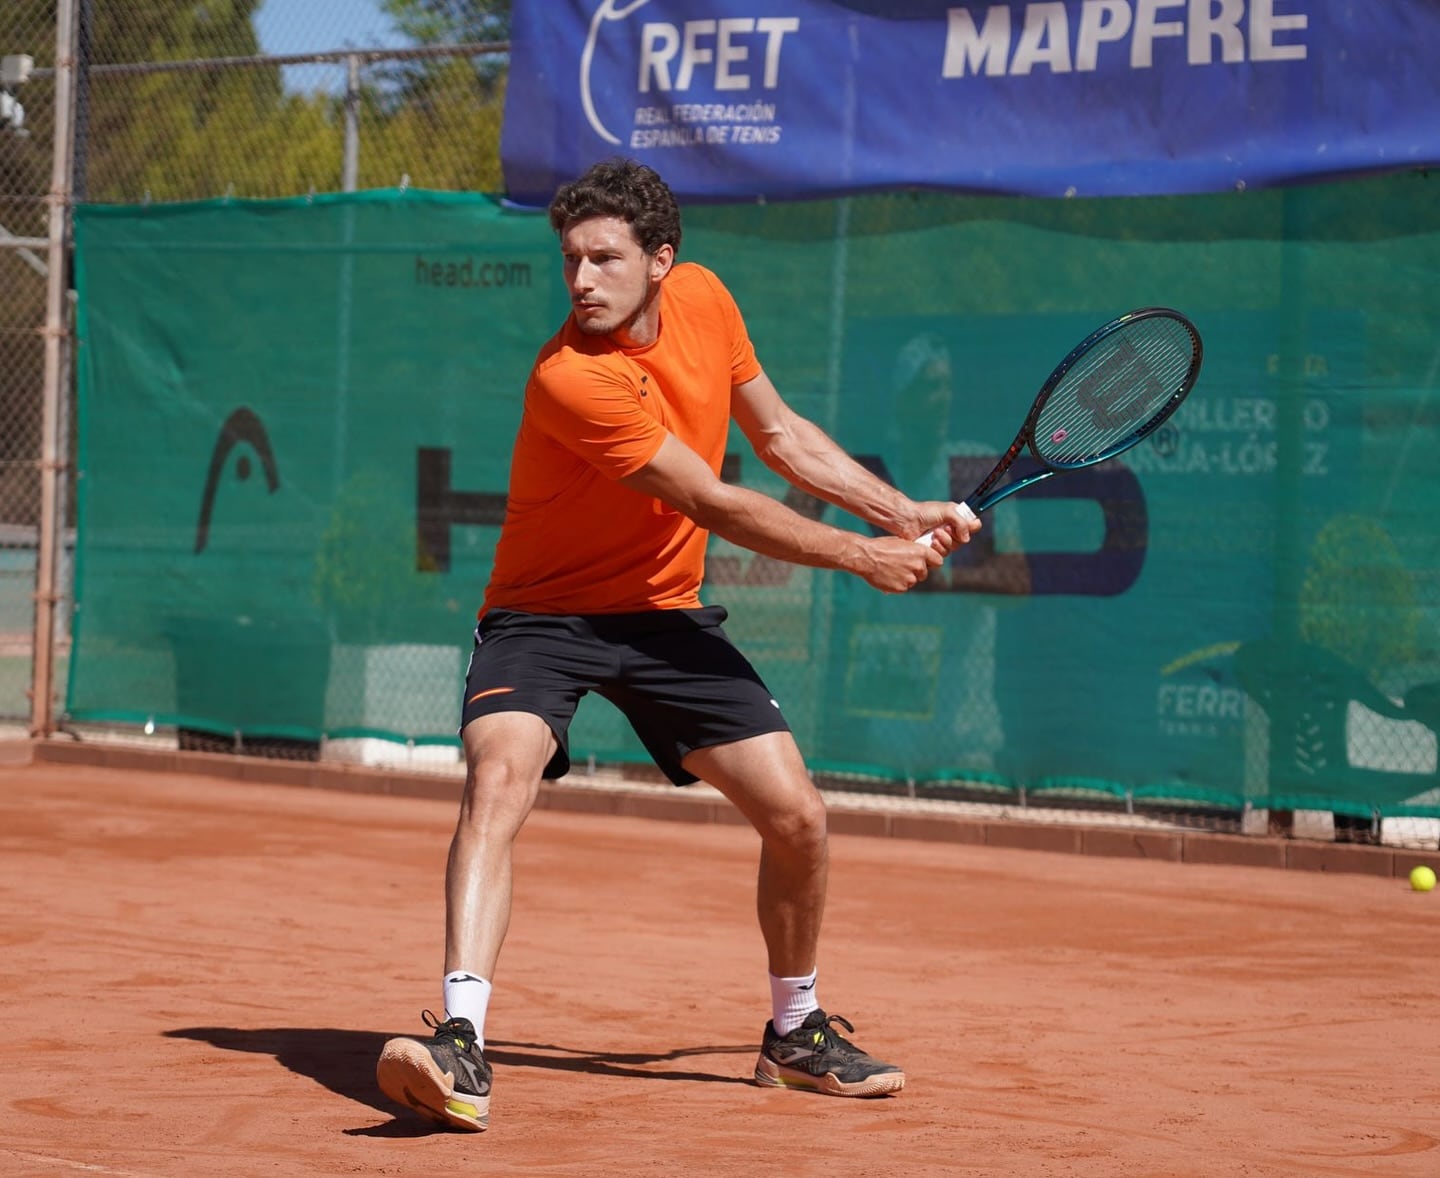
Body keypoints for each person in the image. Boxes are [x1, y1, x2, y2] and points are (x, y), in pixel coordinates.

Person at [375, 158, 980, 1131]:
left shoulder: (705, 300)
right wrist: (865, 555)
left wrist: (902, 508)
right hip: (545, 615)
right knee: (498, 776)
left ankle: (794, 1033)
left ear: (663, 259)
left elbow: (779, 437)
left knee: (800, 819)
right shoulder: (572, 376)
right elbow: (712, 497)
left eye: (604, 257)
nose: (580, 280)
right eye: (570, 258)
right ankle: (462, 1038)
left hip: (662, 614)